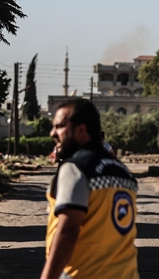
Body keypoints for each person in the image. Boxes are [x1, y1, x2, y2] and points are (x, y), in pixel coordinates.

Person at [41, 98, 139, 279]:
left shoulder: (75, 169)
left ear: (81, 130)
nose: (52, 133)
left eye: (60, 126)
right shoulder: (124, 172)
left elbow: (68, 232)